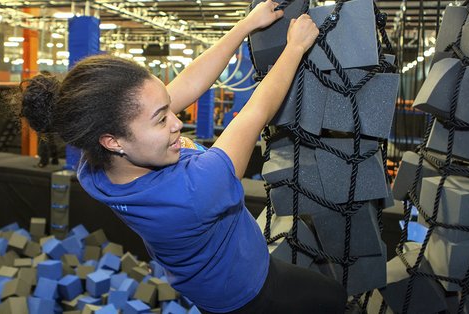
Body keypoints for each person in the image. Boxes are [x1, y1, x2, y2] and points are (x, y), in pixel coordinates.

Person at [18, 0, 346, 312]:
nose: (178, 122)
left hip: (200, 280)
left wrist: (248, 24)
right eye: (162, 118)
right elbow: (256, 112)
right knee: (334, 297)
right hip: (245, 290)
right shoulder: (195, 190)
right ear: (114, 140)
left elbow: (189, 82)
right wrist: (296, 48)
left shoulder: (95, 165)